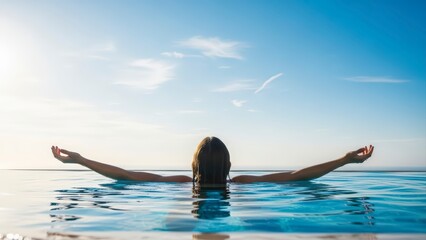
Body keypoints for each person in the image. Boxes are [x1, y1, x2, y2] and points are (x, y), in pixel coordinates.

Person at [51, 136, 374, 184]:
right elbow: (297, 175)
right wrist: (343, 160)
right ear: (229, 165)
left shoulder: (179, 183)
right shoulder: (242, 183)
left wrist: (81, 160)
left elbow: (126, 175)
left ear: (194, 165)